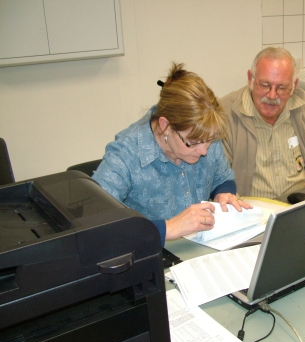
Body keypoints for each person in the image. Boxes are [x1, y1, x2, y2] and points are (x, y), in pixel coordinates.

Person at [93, 63, 251, 245]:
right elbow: (96, 226)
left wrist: (223, 194)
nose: (204, 150)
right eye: (193, 143)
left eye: (210, 140)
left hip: (200, 247)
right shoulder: (126, 154)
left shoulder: (204, 133)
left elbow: (222, 178)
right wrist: (169, 227)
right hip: (150, 256)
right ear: (165, 126)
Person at [220, 47, 305, 199]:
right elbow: (217, 177)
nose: (272, 95)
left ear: (294, 86)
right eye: (265, 85)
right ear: (250, 79)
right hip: (250, 213)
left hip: (298, 207)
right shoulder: (225, 114)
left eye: (281, 87)